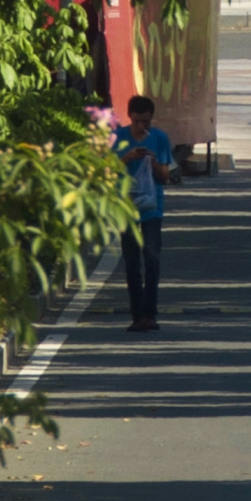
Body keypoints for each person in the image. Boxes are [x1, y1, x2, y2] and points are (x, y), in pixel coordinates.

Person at [110, 97, 175, 332]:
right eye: (137, 122)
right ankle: (137, 316)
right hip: (125, 207)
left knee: (152, 258)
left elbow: (166, 176)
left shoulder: (159, 138)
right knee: (132, 263)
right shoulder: (118, 138)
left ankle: (150, 314)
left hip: (151, 208)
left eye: (146, 122)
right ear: (130, 117)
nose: (142, 127)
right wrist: (127, 158)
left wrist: (154, 162)